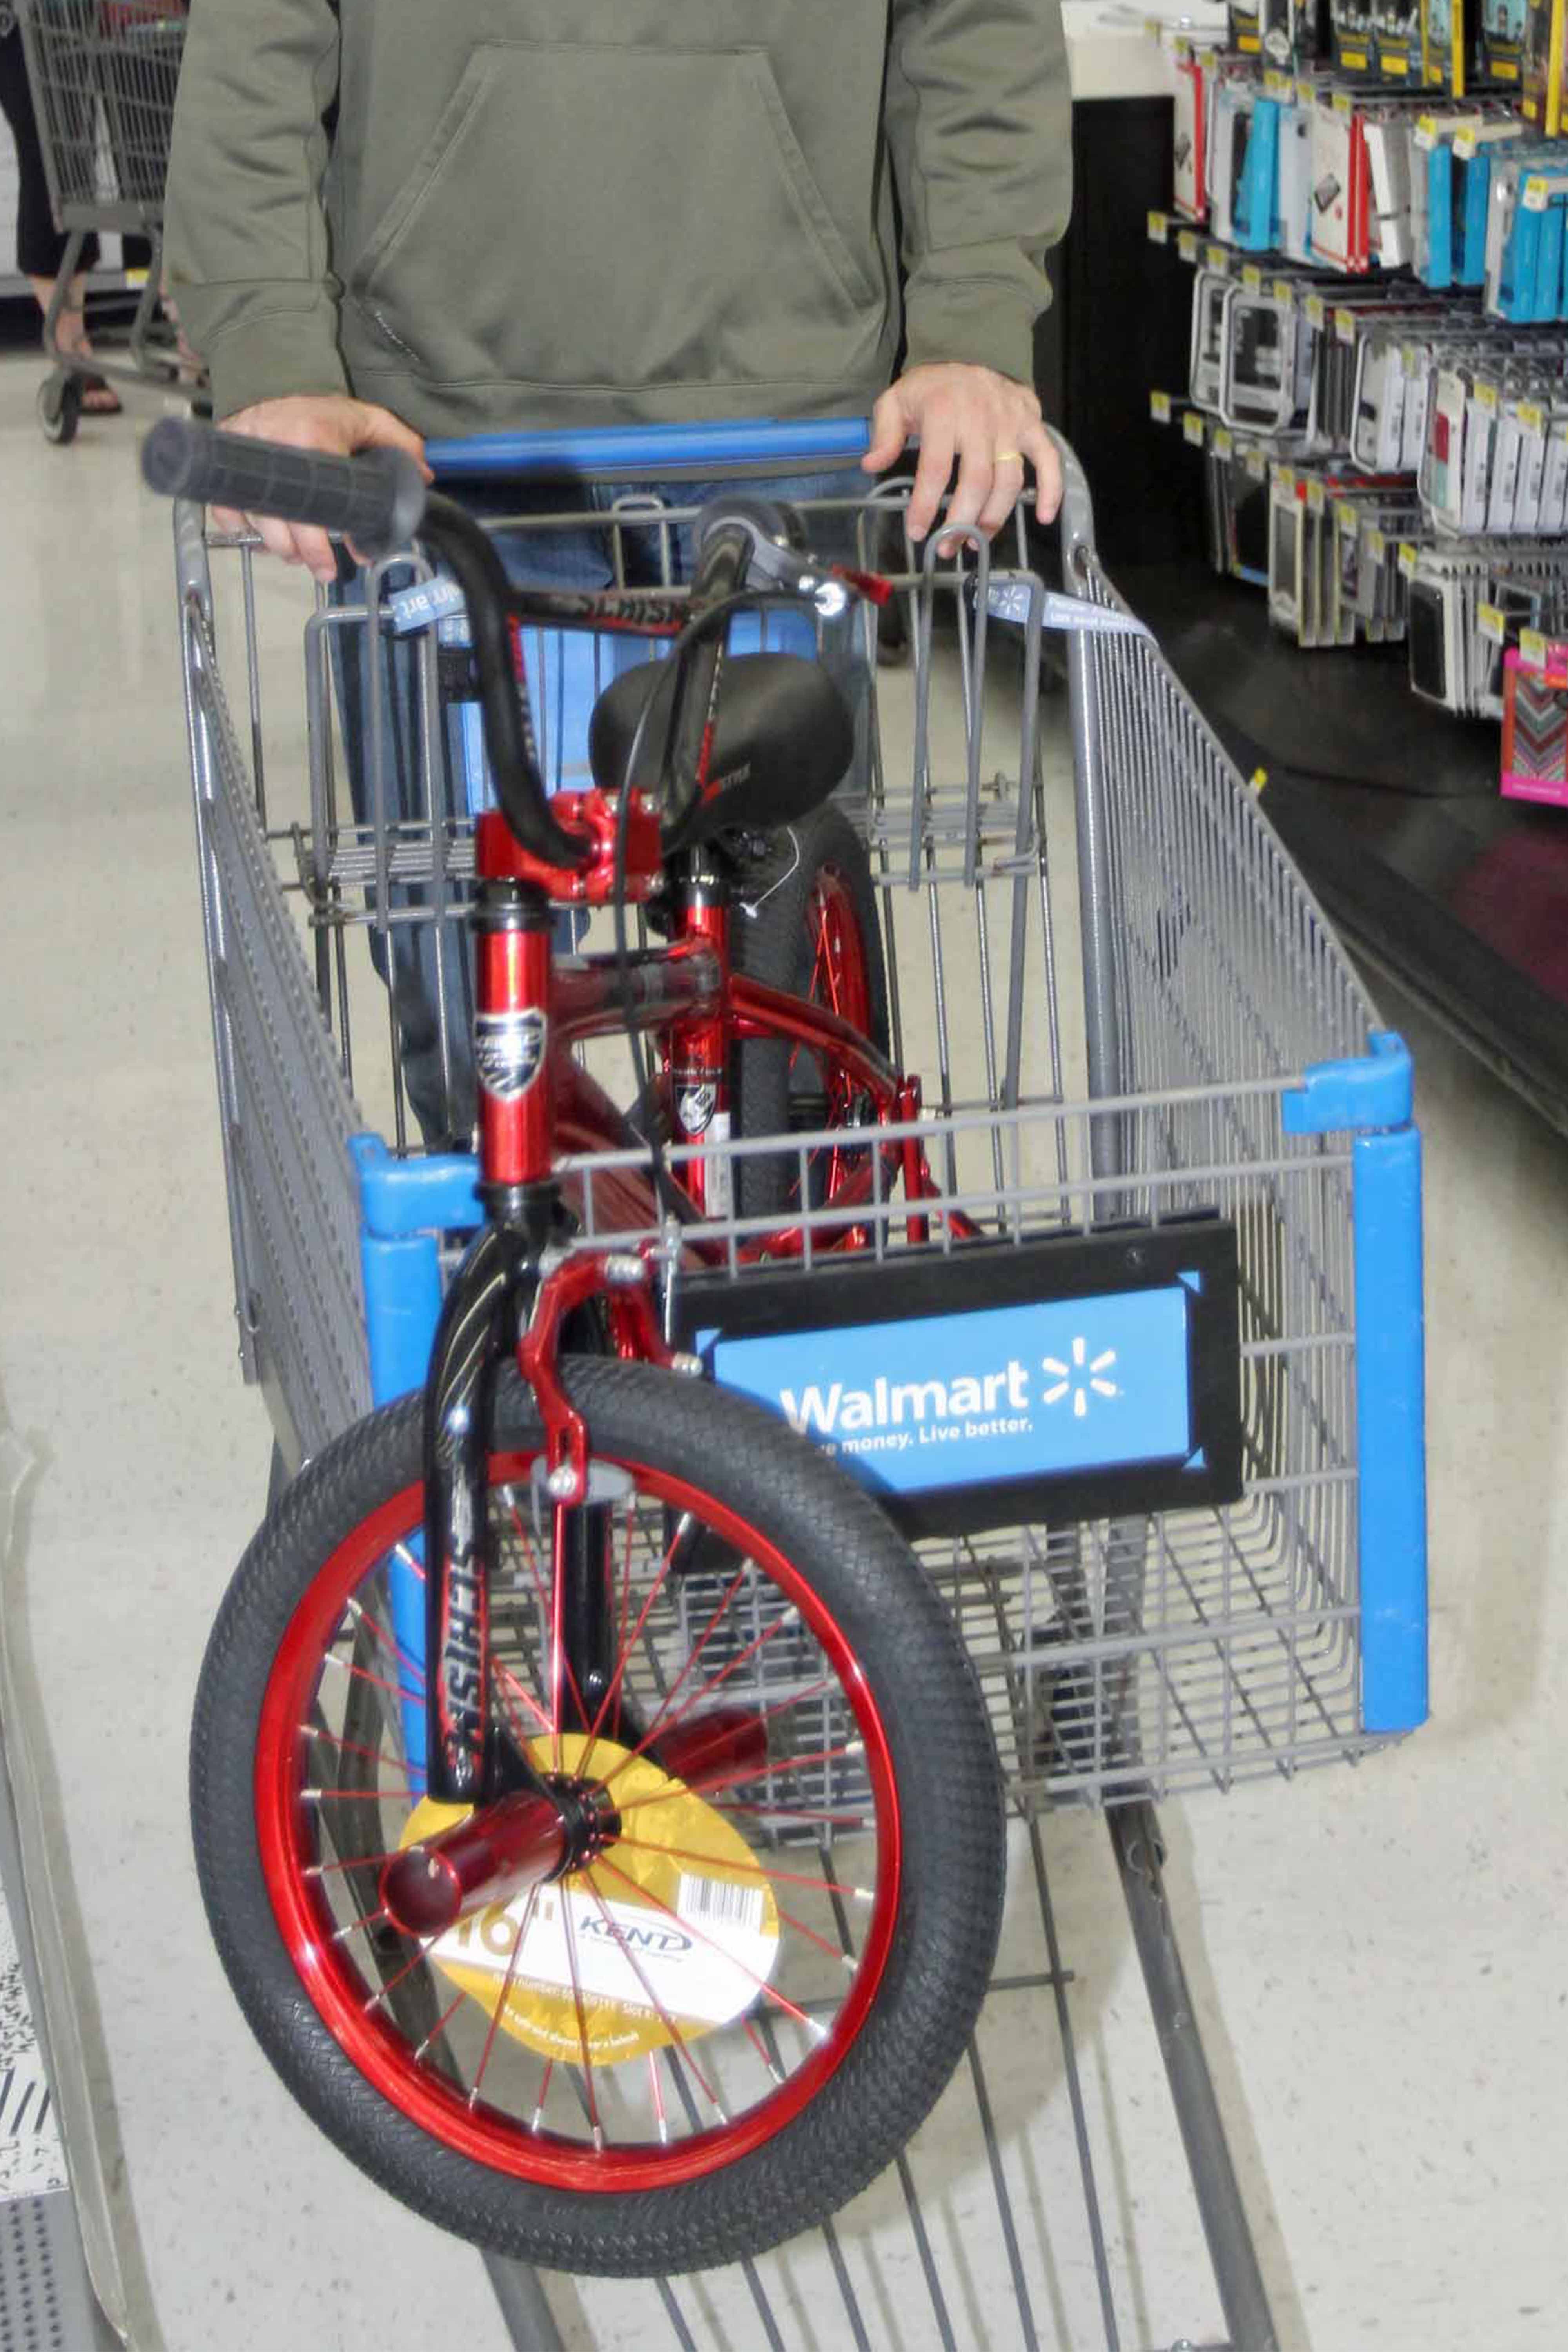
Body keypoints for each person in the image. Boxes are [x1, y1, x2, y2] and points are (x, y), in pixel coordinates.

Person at [163, 4, 1072, 1140]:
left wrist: (974, 326)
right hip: (439, 433)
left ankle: (759, 1287)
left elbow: (974, 24)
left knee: (790, 1049)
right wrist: (269, 347)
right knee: (481, 1051)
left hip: (782, 429)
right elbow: (262, 33)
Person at [0, 4, 121, 414]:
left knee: (76, 167)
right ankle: (69, 347)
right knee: (42, 162)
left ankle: (75, 335)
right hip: (13, 22)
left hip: (67, 17)